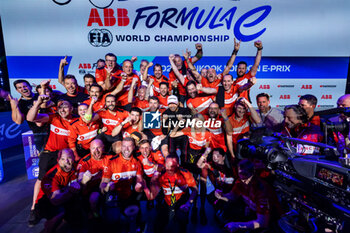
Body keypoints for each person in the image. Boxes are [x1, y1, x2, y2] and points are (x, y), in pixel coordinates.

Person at [27, 98, 77, 226]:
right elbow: (31, 118)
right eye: (60, 107)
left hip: (66, 156)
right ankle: (34, 208)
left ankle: (62, 209)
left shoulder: (76, 121)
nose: (62, 109)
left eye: (65, 106)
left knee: (64, 181)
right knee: (41, 179)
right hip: (50, 154)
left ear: (71, 109)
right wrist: (37, 103)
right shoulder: (54, 118)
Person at [215, 159, 283, 232]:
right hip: (254, 211)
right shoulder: (240, 182)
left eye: (245, 174)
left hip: (270, 219)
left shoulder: (261, 190)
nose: (242, 178)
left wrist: (238, 225)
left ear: (252, 173)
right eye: (240, 174)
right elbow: (233, 196)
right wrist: (222, 195)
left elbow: (263, 222)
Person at [31, 148, 82, 231]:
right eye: (63, 159)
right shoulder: (51, 176)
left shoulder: (76, 167)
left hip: (66, 196)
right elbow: (55, 200)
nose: (66, 161)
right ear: (58, 160)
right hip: (47, 202)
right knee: (60, 213)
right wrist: (70, 191)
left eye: (69, 158)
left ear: (73, 158)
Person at [149, 154, 198, 233]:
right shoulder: (161, 173)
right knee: (157, 226)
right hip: (167, 203)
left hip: (181, 204)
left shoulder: (185, 173)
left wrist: (188, 204)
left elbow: (195, 190)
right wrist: (154, 178)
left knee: (181, 223)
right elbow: (154, 190)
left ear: (178, 165)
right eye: (167, 165)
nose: (168, 168)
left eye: (172, 166)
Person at [77, 139, 111, 218]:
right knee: (93, 198)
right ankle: (95, 215)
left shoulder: (109, 157)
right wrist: (84, 180)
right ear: (90, 149)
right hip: (89, 190)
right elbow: (80, 182)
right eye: (93, 148)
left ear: (103, 148)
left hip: (104, 186)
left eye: (99, 148)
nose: (96, 151)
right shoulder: (84, 162)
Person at [162, 95, 191, 164]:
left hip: (183, 134)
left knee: (185, 152)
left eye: (174, 103)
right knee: (171, 151)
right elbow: (165, 132)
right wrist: (164, 122)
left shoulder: (184, 111)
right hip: (173, 135)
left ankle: (184, 167)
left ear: (177, 103)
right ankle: (174, 166)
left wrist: (183, 120)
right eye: (170, 104)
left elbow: (190, 125)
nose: (172, 105)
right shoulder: (166, 113)